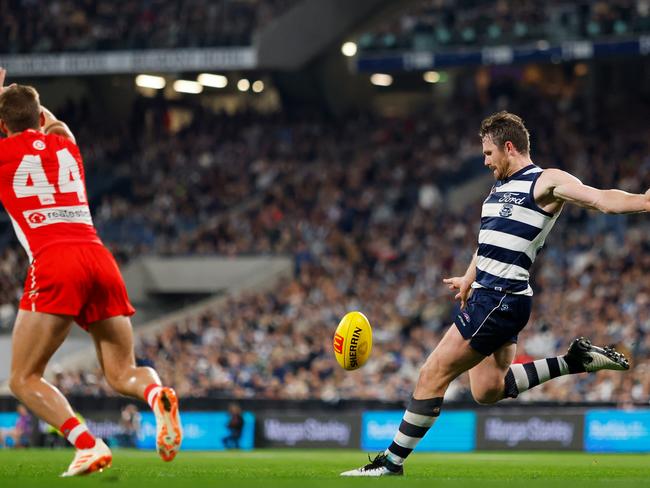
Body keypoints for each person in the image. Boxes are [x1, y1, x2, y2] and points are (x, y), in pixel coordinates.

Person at [342, 111, 643, 476]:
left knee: (432, 372)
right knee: (486, 390)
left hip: (500, 297)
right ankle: (574, 361)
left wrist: (644, 201)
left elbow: (600, 199)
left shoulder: (545, 181)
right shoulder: (498, 189)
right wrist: (470, 276)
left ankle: (391, 462)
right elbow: (487, 242)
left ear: (509, 147)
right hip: (492, 295)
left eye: (488, 153)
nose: (485, 162)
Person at [0, 68, 182, 476]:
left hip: (54, 260)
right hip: (98, 257)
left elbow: (20, 124)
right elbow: (50, 122)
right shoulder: (67, 145)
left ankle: (86, 444)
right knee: (122, 373)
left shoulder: (4, 156)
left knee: (23, 378)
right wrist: (16, 101)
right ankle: (156, 395)